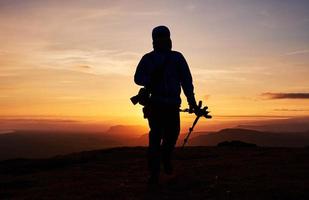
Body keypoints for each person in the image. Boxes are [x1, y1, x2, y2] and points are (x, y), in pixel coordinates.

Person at [134, 26, 197, 184]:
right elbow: (138, 78)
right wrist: (151, 79)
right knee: (157, 137)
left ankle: (164, 159)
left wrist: (192, 101)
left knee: (171, 135)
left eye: (164, 37)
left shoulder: (176, 58)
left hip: (171, 105)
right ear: (155, 40)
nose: (163, 40)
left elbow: (186, 82)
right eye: (160, 37)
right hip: (157, 104)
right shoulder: (150, 59)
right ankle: (155, 172)